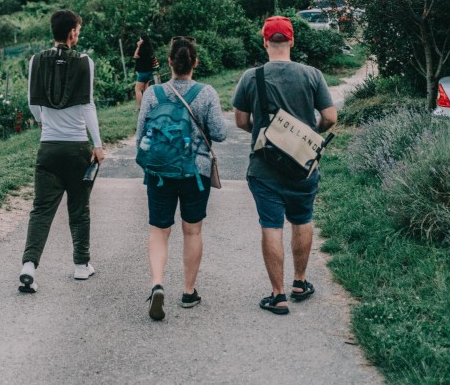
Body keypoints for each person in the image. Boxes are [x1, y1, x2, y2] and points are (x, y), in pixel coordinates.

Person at [231, 16, 337, 315]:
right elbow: (330, 117)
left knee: (271, 225)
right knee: (302, 219)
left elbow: (240, 121)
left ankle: (277, 296)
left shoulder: (251, 77)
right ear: (292, 41)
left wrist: (268, 133)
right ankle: (300, 283)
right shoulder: (312, 75)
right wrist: (306, 133)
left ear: (265, 42)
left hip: (265, 168)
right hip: (303, 164)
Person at [137, 36, 226, 320]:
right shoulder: (207, 93)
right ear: (195, 63)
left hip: (160, 172)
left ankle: (157, 284)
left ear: (169, 63)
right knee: (192, 231)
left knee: (159, 231)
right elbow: (221, 133)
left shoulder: (153, 94)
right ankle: (189, 292)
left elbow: (140, 136)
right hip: (195, 173)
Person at [19, 9, 105, 293]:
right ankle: (81, 266)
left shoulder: (36, 61)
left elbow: (32, 102)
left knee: (41, 209)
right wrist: (98, 144)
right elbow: (87, 105)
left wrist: (43, 122)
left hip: (48, 149)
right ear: (71, 33)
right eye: (78, 30)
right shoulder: (84, 62)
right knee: (79, 208)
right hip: (77, 148)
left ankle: (29, 266)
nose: (78, 35)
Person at [132, 34, 157, 107]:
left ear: (142, 41)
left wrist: (138, 46)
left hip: (143, 72)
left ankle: (141, 107)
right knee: (146, 89)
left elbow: (135, 55)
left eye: (140, 40)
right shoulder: (149, 49)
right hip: (149, 71)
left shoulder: (142, 50)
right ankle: (148, 105)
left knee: (137, 89)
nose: (139, 41)